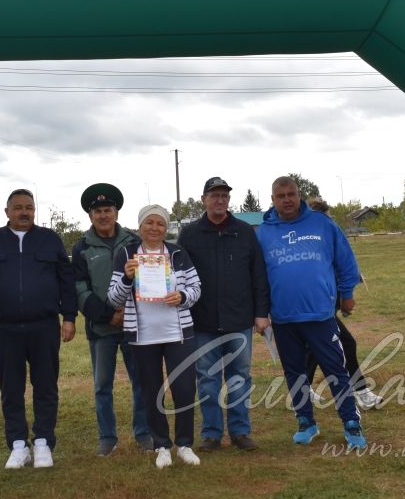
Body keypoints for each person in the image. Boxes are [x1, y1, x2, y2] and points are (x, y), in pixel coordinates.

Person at [0, 188, 77, 470]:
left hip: (44, 326)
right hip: (5, 328)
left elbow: (66, 279)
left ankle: (42, 442)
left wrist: (69, 316)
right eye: (18, 208)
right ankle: (17, 444)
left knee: (46, 386)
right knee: (11, 388)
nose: (24, 212)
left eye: (29, 207)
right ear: (7, 212)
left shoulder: (49, 240)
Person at [255, 176, 367, 449]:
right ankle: (306, 422)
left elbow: (345, 260)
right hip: (283, 318)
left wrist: (348, 294)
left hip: (320, 316)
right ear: (272, 200)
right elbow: (257, 276)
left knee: (336, 370)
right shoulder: (262, 233)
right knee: (295, 373)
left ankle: (351, 423)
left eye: (291, 194)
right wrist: (259, 312)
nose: (287, 200)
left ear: (300, 195)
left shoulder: (322, 224)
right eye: (280, 196)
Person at [178, 176, 270, 452]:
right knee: (207, 380)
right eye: (214, 195)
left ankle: (241, 432)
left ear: (229, 200)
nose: (219, 200)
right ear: (204, 199)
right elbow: (181, 275)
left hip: (239, 320)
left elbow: (258, 275)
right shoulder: (190, 233)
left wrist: (261, 313)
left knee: (239, 378)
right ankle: (211, 433)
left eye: (224, 196)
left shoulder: (244, 231)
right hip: (203, 321)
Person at [107, 204, 202, 469]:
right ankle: (162, 445)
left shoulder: (178, 253)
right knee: (152, 392)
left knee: (184, 389)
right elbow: (113, 297)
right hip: (143, 336)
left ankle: (184, 444)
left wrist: (182, 297)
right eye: (149, 222)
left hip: (178, 333)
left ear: (166, 228)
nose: (154, 228)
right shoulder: (126, 254)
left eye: (160, 223)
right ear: (139, 226)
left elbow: (196, 287)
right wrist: (127, 279)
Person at [72, 183, 153, 456]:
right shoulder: (82, 247)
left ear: (116, 212)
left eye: (108, 210)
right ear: (90, 215)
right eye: (98, 211)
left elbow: (146, 282)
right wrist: (109, 314)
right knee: (102, 386)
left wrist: (126, 312)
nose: (103, 215)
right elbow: (80, 288)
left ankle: (143, 433)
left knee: (140, 382)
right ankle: (107, 437)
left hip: (134, 325)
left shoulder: (133, 242)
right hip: (101, 328)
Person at [305, 197, 383, 410]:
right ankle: (361, 392)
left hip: (322, 305)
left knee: (314, 347)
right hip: (313, 307)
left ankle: (301, 391)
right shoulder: (308, 239)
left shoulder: (325, 234)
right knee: (346, 344)